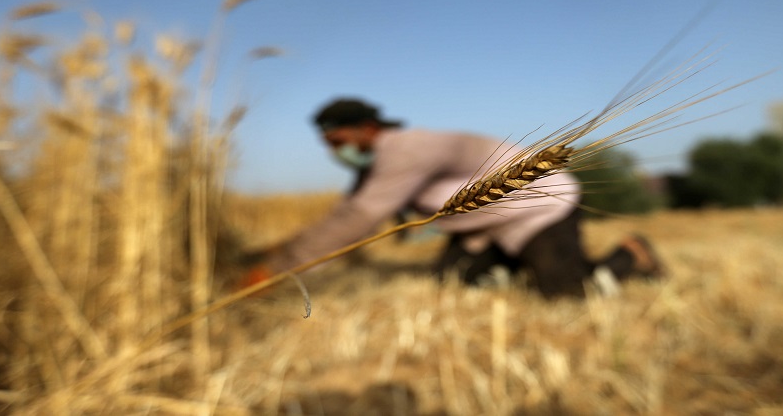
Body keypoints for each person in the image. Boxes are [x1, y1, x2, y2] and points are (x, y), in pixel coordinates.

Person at [243, 98, 665, 298]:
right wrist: (273, 253)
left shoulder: (405, 150)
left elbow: (359, 220)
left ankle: (631, 253)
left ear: (368, 128)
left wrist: (275, 271)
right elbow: (339, 217)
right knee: (452, 281)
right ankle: (517, 264)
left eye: (338, 141)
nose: (335, 153)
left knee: (567, 293)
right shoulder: (372, 165)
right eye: (329, 146)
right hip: (484, 225)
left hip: (540, 207)